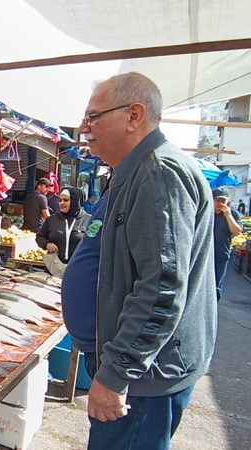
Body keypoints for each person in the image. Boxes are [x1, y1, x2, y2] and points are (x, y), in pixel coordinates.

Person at [66, 72, 215, 450]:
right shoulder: (133, 172)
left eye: (93, 116)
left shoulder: (158, 174)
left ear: (134, 115)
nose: (83, 128)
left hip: (143, 377)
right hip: (135, 369)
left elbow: (162, 288)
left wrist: (117, 373)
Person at [35, 186, 90, 276]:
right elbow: (40, 237)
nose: (61, 203)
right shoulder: (52, 219)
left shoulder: (88, 220)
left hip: (79, 271)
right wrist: (47, 244)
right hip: (54, 270)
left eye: (66, 200)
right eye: (60, 200)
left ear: (75, 201)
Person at [212, 188, 243, 301]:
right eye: (217, 200)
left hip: (222, 255)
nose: (220, 203)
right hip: (205, 254)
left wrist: (228, 216)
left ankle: (214, 305)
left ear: (227, 202)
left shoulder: (233, 213)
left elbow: (237, 231)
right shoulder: (206, 213)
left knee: (216, 285)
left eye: (223, 201)